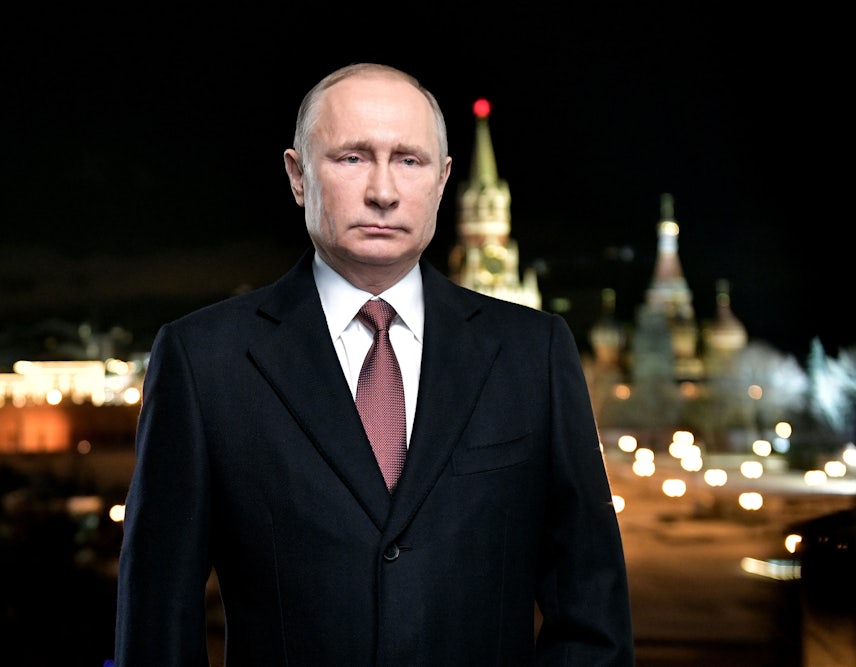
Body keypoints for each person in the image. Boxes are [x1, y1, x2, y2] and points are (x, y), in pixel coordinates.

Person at [114, 62, 634, 666]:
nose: (383, 191)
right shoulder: (205, 360)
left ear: (442, 182)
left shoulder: (534, 352)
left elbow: (591, 605)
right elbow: (157, 623)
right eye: (352, 157)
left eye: (408, 161)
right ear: (297, 175)